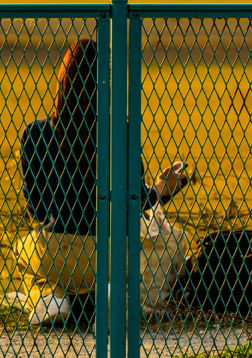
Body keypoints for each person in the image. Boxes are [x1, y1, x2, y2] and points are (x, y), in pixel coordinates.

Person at [13, 38, 190, 325]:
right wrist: (161, 189)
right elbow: (135, 201)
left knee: (23, 250)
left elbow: (36, 209)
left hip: (58, 250)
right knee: (174, 240)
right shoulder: (120, 130)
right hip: (112, 253)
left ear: (62, 80)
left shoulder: (35, 133)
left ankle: (51, 298)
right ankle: (124, 299)